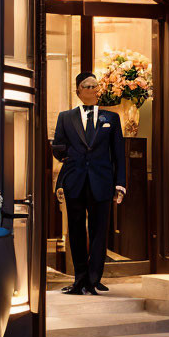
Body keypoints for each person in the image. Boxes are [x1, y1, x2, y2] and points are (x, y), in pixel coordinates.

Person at [51, 72, 126, 295]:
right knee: (75, 231)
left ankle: (94, 279)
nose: (92, 89)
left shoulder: (111, 119)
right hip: (75, 181)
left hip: (102, 182)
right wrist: (69, 159)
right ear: (78, 91)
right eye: (87, 86)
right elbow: (57, 146)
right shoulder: (65, 117)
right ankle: (79, 278)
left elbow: (118, 154)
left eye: (95, 86)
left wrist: (119, 184)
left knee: (99, 232)